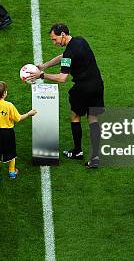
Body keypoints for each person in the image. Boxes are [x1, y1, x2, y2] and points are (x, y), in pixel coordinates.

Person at [26, 23, 105, 168]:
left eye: (54, 39)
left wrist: (41, 74)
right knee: (93, 119)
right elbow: (63, 56)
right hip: (97, 85)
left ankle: (77, 151)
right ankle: (95, 158)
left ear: (63, 34)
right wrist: (45, 65)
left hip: (82, 88)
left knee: (75, 116)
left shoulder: (69, 53)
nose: (54, 42)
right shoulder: (80, 41)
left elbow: (62, 78)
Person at [0, 81, 37, 185]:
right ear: (4, 94)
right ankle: (12, 172)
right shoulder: (9, 105)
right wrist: (29, 114)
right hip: (8, 132)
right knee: (11, 152)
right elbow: (18, 118)